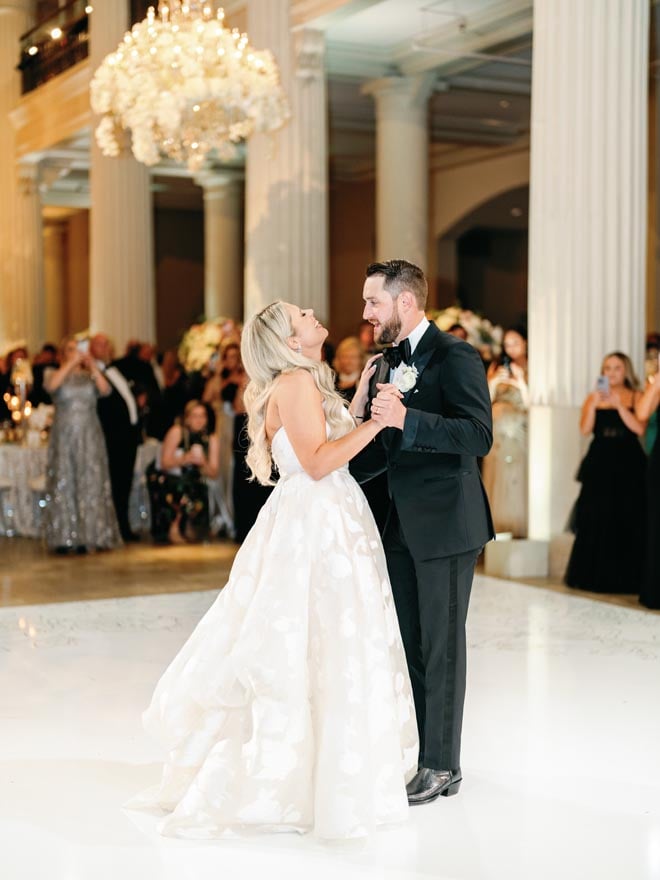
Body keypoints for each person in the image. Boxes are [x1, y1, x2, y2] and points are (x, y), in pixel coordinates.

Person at [131, 301, 418, 839]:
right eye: (300, 315)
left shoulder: (304, 381)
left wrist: (356, 409)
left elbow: (320, 446)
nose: (312, 313)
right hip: (317, 522)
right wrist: (378, 425)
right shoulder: (294, 383)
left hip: (324, 516)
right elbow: (316, 462)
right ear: (290, 341)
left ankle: (323, 767)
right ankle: (301, 776)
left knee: (322, 640)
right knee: (314, 639)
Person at [351, 259, 494, 805]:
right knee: (412, 646)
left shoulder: (456, 355)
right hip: (401, 527)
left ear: (404, 302)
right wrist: (360, 416)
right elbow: (380, 455)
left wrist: (408, 419)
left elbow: (477, 434)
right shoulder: (385, 364)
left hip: (449, 525)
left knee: (443, 647)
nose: (366, 313)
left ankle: (441, 765)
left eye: (373, 303)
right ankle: (428, 756)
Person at [565, 352, 647, 594]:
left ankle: (628, 578)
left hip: (628, 462)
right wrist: (595, 403)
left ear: (626, 371)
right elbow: (585, 429)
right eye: (607, 368)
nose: (611, 373)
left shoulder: (635, 395)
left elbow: (639, 428)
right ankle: (594, 576)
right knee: (595, 515)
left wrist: (619, 405)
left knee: (627, 515)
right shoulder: (593, 398)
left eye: (617, 368)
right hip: (599, 461)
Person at [43, 337, 122, 553]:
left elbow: (106, 391)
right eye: (70, 349)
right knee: (65, 480)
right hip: (65, 434)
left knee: (92, 481)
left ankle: (93, 536)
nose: (76, 352)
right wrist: (70, 363)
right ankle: (65, 537)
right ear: (63, 354)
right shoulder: (52, 373)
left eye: (78, 349)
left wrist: (93, 366)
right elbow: (52, 386)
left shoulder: (90, 376)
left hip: (90, 433)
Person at [90, 333, 142, 542]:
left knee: (125, 483)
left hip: (128, 436)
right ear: (91, 348)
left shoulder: (115, 369)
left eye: (108, 344)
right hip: (111, 437)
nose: (107, 347)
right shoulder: (91, 373)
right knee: (115, 484)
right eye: (101, 344)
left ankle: (123, 525)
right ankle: (118, 528)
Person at [481, 327, 529, 537]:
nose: (511, 349)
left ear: (525, 343)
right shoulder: (496, 366)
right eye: (507, 344)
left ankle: (516, 525)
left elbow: (530, 403)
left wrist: (520, 382)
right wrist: (493, 382)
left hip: (519, 429)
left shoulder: (531, 366)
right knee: (496, 474)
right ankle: (496, 526)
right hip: (497, 429)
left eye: (515, 343)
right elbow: (485, 401)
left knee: (516, 474)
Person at [333, 336, 365, 402]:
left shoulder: (365, 381)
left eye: (353, 357)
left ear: (361, 359)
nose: (348, 361)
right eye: (345, 356)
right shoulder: (330, 380)